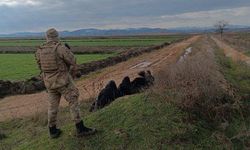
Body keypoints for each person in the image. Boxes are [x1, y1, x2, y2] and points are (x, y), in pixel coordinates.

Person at [35, 28, 96, 138]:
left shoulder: (40, 50)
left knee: (52, 106)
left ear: (47, 37)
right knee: (73, 100)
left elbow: (40, 67)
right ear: (56, 36)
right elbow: (72, 60)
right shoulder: (60, 48)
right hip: (63, 82)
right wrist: (68, 50)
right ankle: (80, 128)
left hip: (49, 83)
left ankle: (52, 130)